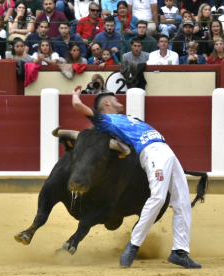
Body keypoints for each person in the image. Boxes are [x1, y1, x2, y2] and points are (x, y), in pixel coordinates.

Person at [71, 88, 201, 270]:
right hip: (152, 152)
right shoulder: (106, 120)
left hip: (167, 152)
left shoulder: (127, 118)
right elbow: (78, 105)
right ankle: (133, 245)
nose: (120, 102)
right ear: (106, 103)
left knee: (183, 202)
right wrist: (76, 93)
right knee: (158, 198)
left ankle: (179, 252)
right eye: (115, 99)